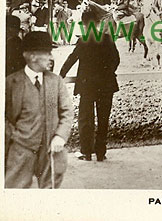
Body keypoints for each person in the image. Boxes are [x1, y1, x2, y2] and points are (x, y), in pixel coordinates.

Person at [5, 32, 74, 188]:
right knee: (15, 190)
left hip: (50, 149)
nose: (52, 58)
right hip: (21, 150)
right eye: (48, 53)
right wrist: (14, 138)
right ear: (32, 56)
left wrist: (60, 137)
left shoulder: (56, 82)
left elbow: (67, 112)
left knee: (49, 191)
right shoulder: (11, 83)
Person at [59, 12, 120, 161]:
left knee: (86, 119)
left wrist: (60, 75)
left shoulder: (83, 40)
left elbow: (71, 59)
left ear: (84, 24)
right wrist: (107, 73)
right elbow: (116, 60)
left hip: (88, 85)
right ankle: (101, 152)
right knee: (103, 119)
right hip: (106, 85)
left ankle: (86, 152)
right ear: (97, 23)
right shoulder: (107, 39)